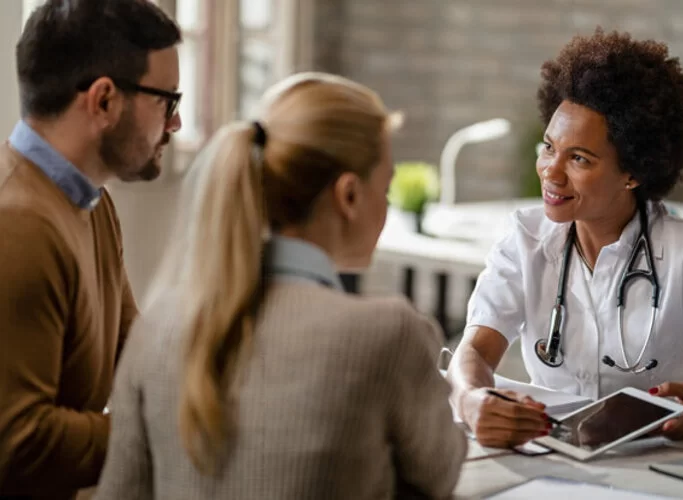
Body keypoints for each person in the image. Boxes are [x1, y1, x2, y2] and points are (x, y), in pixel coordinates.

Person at [94, 72, 466, 500]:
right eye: (385, 186)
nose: (386, 203)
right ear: (348, 196)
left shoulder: (158, 325)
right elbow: (441, 474)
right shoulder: (388, 335)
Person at [447, 29, 683, 449]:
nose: (551, 172)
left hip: (656, 468)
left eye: (579, 158)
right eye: (549, 148)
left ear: (633, 172)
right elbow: (475, 350)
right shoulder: (526, 238)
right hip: (549, 461)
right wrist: (470, 399)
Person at [0, 1, 182, 498]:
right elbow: (18, 441)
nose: (177, 123)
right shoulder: (17, 224)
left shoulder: (90, 203)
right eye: (167, 100)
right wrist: (171, 431)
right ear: (103, 101)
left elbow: (137, 359)